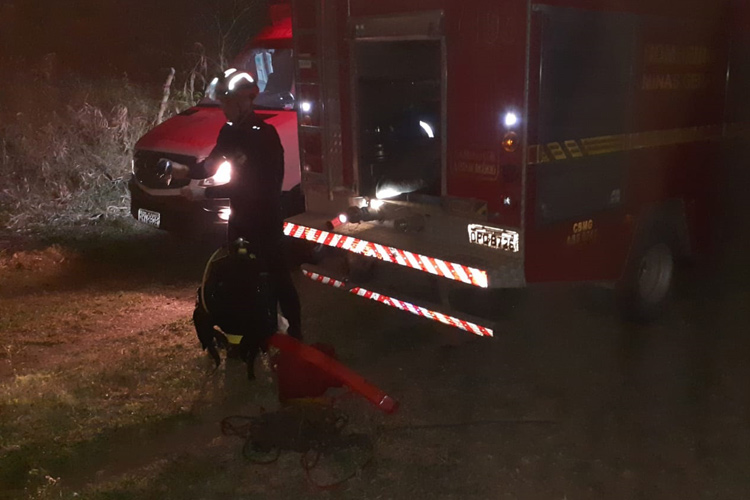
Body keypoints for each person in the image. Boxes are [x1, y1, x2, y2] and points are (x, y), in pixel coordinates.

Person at [182, 68, 302, 342]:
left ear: (245, 101)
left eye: (228, 103)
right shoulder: (229, 131)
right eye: (222, 103)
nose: (224, 109)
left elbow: (255, 188)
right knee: (240, 275)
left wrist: (205, 195)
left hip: (265, 219)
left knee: (277, 277)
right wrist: (185, 172)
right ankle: (251, 331)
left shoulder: (264, 135)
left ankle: (295, 334)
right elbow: (210, 165)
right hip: (239, 220)